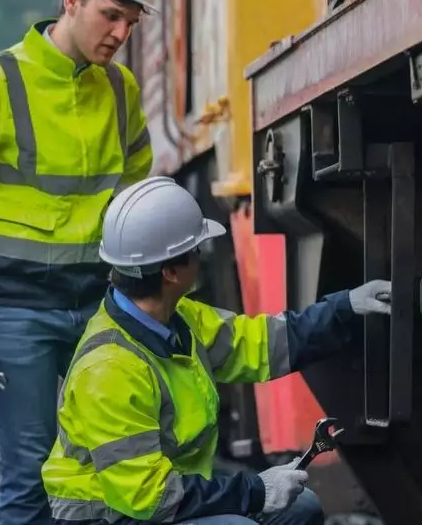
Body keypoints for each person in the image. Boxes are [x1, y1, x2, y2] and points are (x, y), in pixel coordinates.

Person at [0, 0, 158, 523]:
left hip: (97, 308)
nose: (121, 34)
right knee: (30, 475)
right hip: (11, 311)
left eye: (132, 22)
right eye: (111, 15)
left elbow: (137, 206)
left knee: (112, 466)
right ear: (72, 0)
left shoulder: (121, 91)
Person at [41, 176, 393, 524]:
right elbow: (149, 497)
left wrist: (346, 307)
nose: (202, 256)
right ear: (170, 272)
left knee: (302, 508)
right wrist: (257, 490)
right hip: (110, 515)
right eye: (196, 250)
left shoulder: (178, 318)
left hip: (165, 492)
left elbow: (262, 344)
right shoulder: (109, 371)